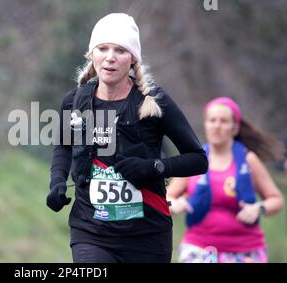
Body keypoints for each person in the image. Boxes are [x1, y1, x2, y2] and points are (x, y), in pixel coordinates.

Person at [46, 13, 208, 263]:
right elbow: (64, 146)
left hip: (147, 235)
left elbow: (198, 159)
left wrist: (153, 167)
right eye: (103, 48)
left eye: (120, 50)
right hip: (91, 231)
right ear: (92, 54)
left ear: (132, 59)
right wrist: (57, 181)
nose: (110, 57)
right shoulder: (75, 101)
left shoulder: (154, 102)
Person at [167, 97, 284, 263]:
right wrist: (175, 204)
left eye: (223, 121)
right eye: (212, 120)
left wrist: (258, 209)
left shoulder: (248, 160)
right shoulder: (193, 161)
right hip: (199, 250)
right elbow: (165, 200)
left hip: (245, 251)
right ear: (205, 125)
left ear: (234, 128)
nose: (217, 126)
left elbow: (276, 200)